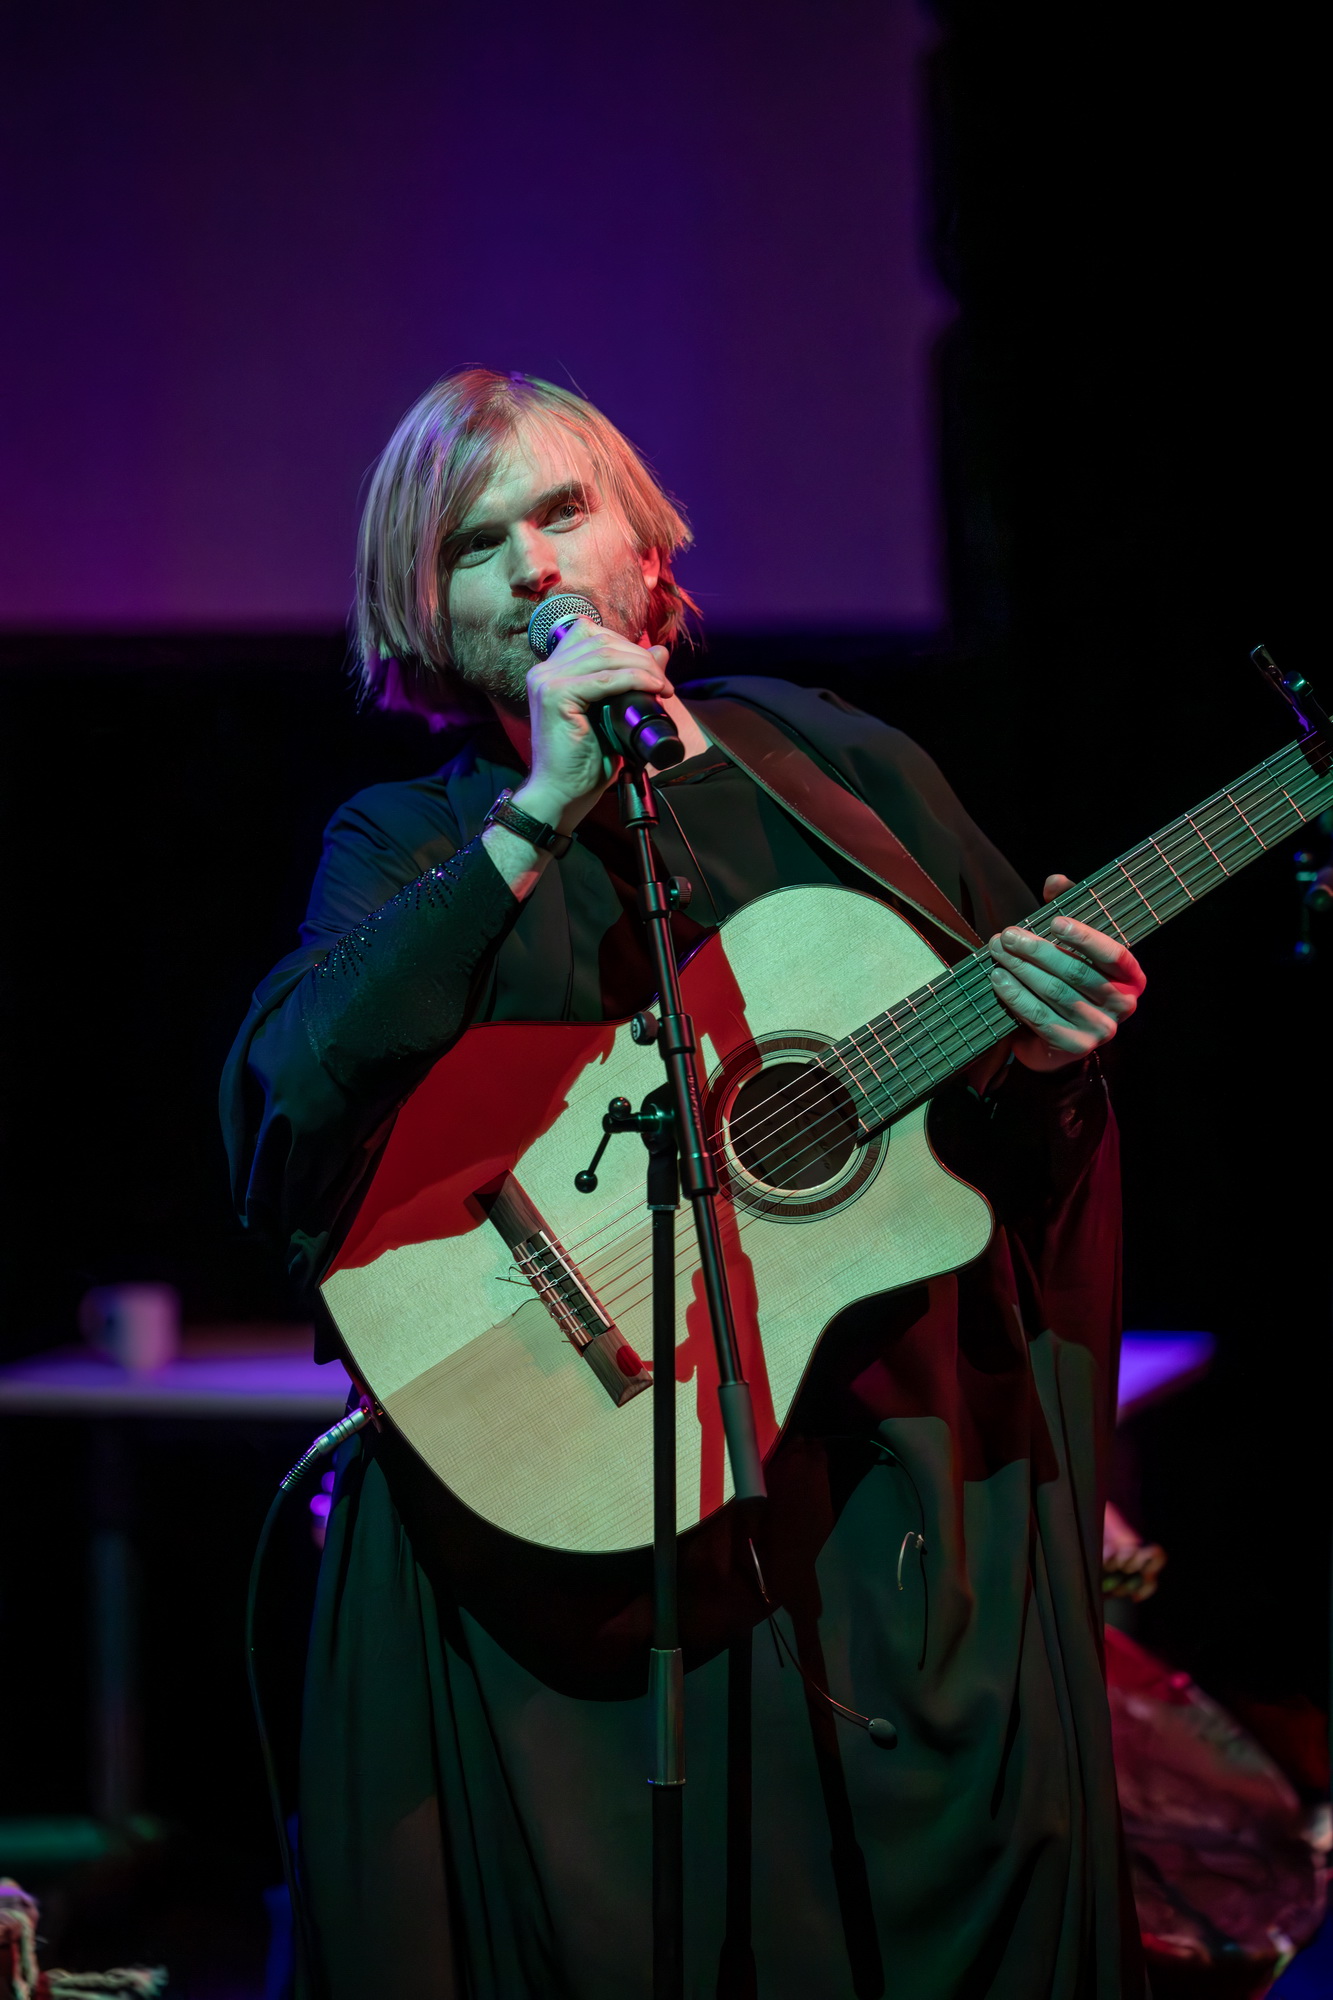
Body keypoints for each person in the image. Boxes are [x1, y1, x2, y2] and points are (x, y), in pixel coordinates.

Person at [222, 369, 1148, 1998]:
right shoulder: (413, 839)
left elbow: (990, 1154)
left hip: (879, 1530)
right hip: (555, 1559)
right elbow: (290, 1108)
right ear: (423, 609)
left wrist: (1050, 1063)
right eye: (473, 544)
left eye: (562, 512)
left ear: (647, 549)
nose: (531, 565)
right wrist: (537, 817)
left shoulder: (835, 769)